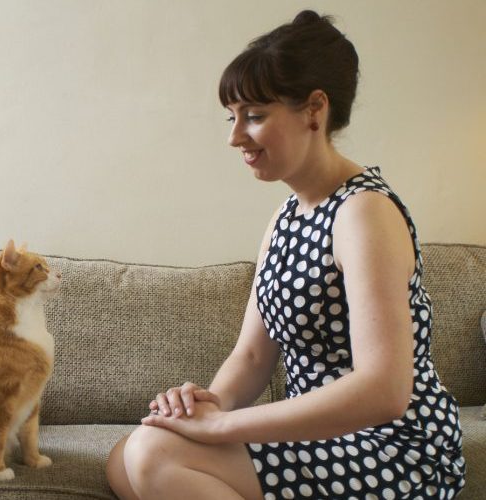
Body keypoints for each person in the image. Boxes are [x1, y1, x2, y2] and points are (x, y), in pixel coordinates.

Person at [106, 9, 466, 500]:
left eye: (254, 116)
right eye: (232, 118)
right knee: (126, 456)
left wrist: (224, 430)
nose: (235, 137)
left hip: (391, 449)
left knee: (151, 455)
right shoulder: (287, 216)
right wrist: (203, 409)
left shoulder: (364, 213)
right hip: (323, 444)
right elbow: (253, 355)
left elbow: (384, 390)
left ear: (314, 110)